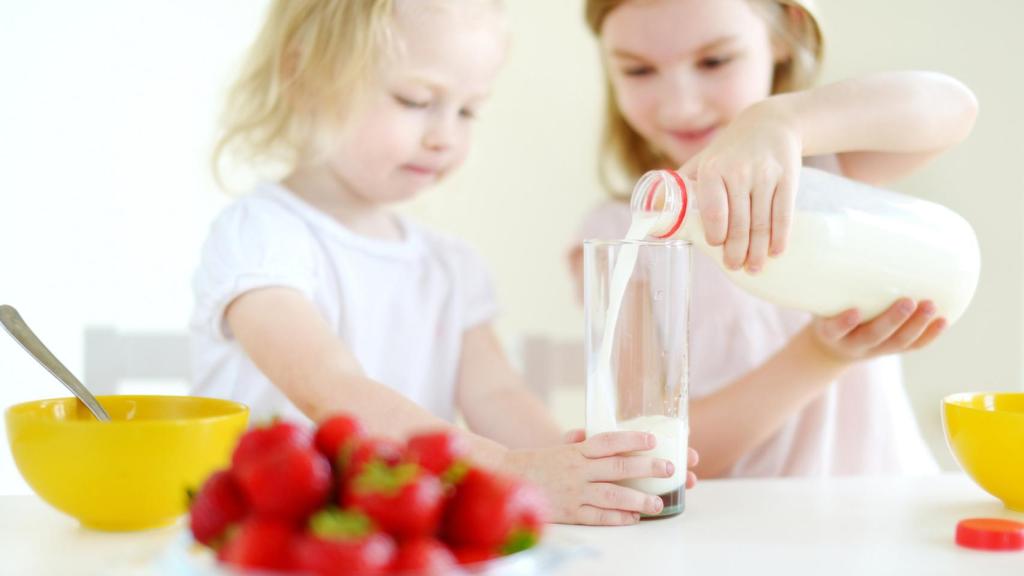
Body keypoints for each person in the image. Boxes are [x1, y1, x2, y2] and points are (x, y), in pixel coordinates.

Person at [190, 0, 695, 525]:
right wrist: (511, 470)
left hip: (391, 538)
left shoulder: (451, 265)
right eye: (415, 100)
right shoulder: (261, 234)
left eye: (468, 110)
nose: (445, 136)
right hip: (263, 541)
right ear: (305, 78)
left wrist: (585, 468)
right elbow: (330, 389)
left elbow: (497, 396)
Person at [571, 0, 978, 477]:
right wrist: (820, 356)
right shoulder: (618, 236)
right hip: (742, 534)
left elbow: (953, 106)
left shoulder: (824, 180)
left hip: (881, 506)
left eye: (714, 61)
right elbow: (657, 452)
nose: (680, 103)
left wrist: (784, 120)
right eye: (639, 70)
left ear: (783, 39)